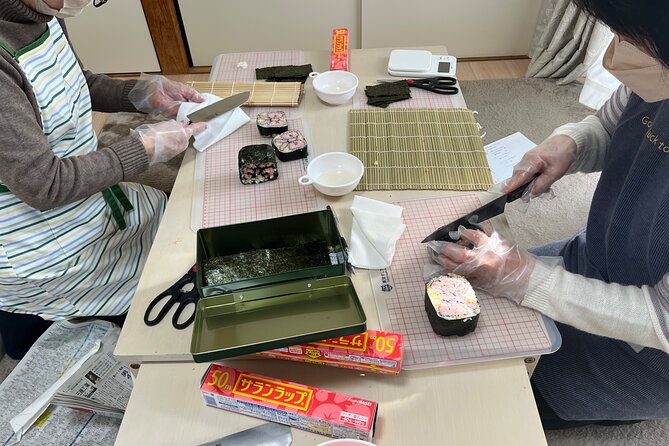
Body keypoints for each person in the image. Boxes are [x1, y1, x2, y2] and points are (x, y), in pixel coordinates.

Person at [435, 0, 669, 429]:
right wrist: (570, 143)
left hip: (646, 349)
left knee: (483, 402)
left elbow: (661, 318)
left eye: (630, 38)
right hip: (599, 255)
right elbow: (611, 124)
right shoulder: (658, 71)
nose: (614, 54)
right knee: (458, 295)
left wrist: (528, 280)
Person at [0, 0, 206, 359]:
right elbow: (43, 183)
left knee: (176, 224)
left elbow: (79, 81)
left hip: (88, 193)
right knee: (163, 296)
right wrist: (144, 149)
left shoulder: (38, 12)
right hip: (39, 240)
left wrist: (142, 95)